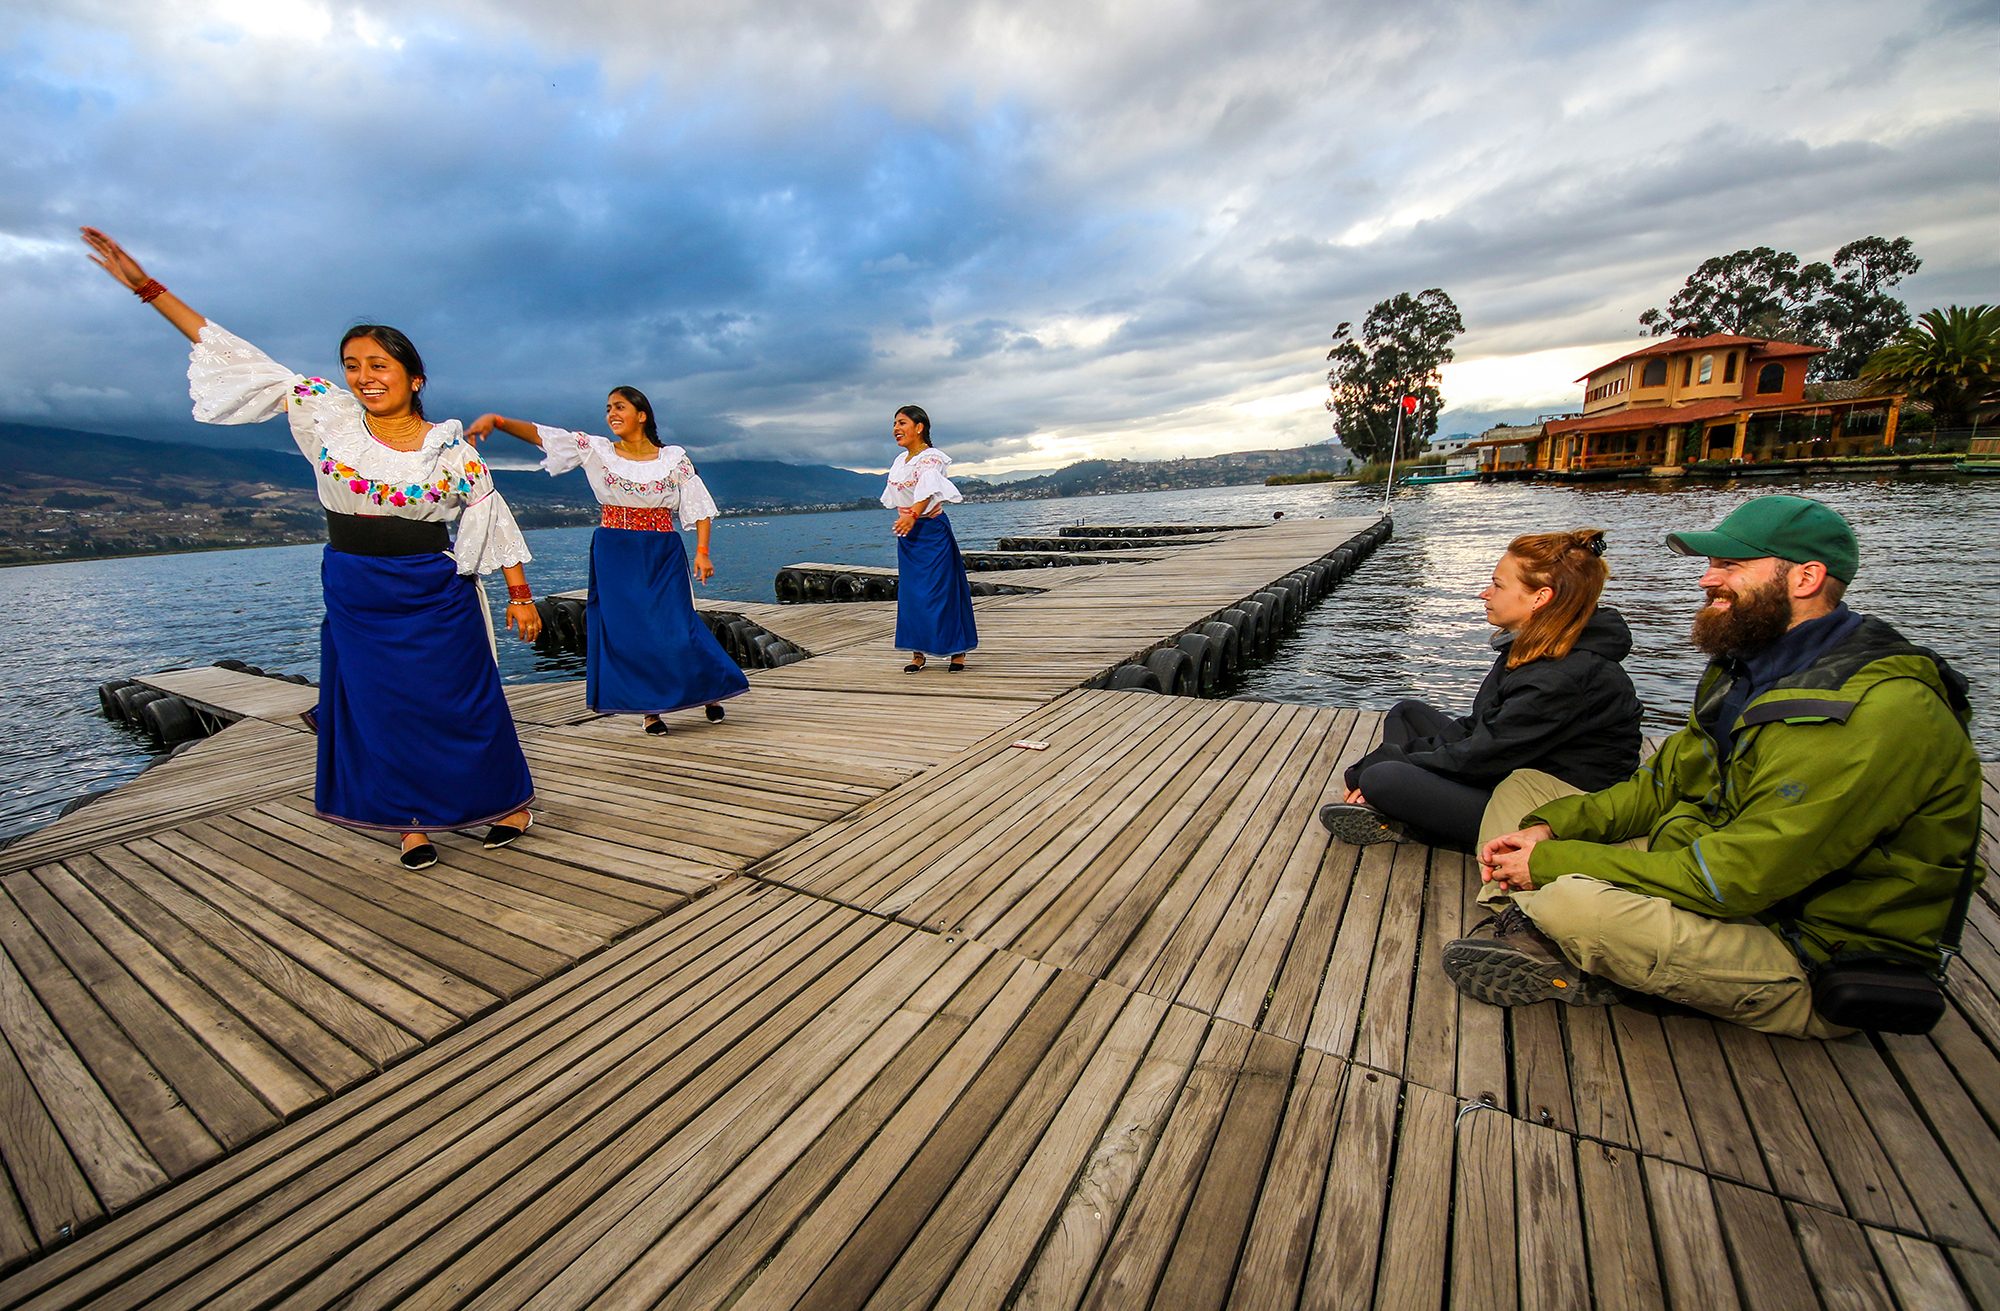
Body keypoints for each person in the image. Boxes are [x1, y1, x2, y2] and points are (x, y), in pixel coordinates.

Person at [80, 227, 539, 872]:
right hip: (357, 587)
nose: (363, 377)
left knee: (462, 700)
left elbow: (490, 518)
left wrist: (520, 597)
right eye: (353, 365)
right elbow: (238, 356)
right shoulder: (328, 416)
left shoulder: (451, 449)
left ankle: (504, 803)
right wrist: (149, 290)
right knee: (377, 707)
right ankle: (408, 822)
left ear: (414, 377)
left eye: (378, 365)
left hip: (434, 589)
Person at [1447, 494, 1983, 1038]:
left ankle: (1548, 927)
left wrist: (1551, 861)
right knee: (1526, 792)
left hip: (1805, 947)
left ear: (1806, 577)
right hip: (1708, 860)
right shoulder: (1748, 667)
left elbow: (1734, 879)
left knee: (1574, 904)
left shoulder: (1873, 712)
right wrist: (1550, 829)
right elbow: (1660, 785)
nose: (1707, 580)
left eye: (1730, 565)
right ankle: (1529, 923)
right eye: (1710, 564)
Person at [1318, 529, 1642, 852]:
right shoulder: (1539, 643)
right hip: (1516, 765)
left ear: (1540, 597)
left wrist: (1380, 767)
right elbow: (1479, 728)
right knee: (1408, 714)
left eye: (1498, 586)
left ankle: (1407, 821)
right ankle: (1398, 807)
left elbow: (1481, 756)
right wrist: (1399, 759)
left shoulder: (1564, 676)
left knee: (1383, 779)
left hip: (1555, 807)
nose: (1484, 594)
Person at [466, 396, 747, 733]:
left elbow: (699, 504)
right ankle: (650, 710)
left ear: (641, 415)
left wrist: (702, 551)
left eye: (619, 407)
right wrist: (499, 422)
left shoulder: (673, 457)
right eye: (608, 408)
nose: (611, 413)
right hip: (615, 550)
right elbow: (546, 437)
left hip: (661, 548)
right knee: (630, 632)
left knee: (678, 626)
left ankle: (711, 689)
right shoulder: (597, 450)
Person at [882, 405, 977, 672]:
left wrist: (913, 514)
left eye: (902, 423)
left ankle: (957, 650)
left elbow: (927, 489)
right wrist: (907, 518)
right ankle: (917, 653)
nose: (896, 429)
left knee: (941, 590)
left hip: (932, 531)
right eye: (894, 424)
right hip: (909, 536)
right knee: (912, 594)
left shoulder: (931, 458)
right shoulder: (900, 461)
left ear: (919, 427)